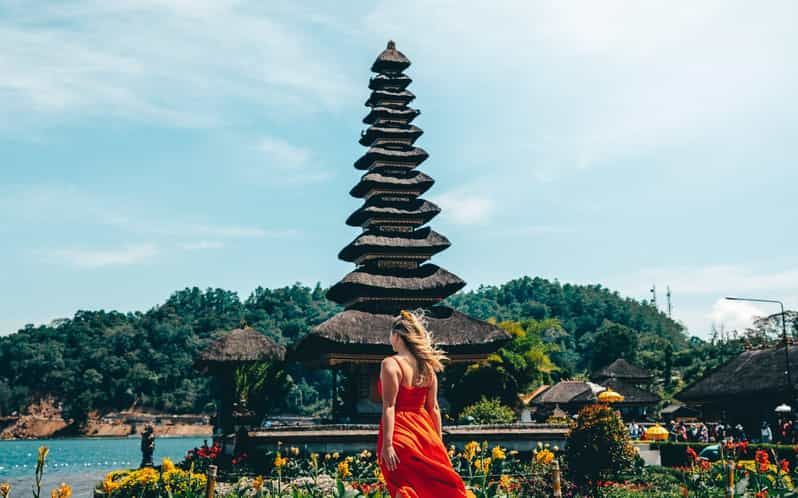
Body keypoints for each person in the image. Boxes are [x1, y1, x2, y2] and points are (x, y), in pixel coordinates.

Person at [378, 310, 467, 498]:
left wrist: (387, 445)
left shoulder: (390, 364)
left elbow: (389, 406)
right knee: (433, 489)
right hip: (426, 434)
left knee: (403, 487)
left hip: (400, 434)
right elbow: (433, 408)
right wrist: (438, 442)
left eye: (390, 335)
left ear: (397, 336)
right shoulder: (428, 368)